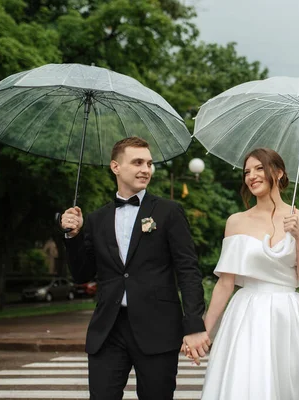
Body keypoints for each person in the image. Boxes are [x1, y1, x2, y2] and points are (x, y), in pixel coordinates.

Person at [60, 137, 210, 400]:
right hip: (108, 329)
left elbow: (188, 271)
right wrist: (73, 236)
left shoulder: (169, 212)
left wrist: (194, 324)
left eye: (149, 163)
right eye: (137, 162)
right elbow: (82, 274)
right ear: (115, 167)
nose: (146, 169)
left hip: (158, 329)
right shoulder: (96, 219)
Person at [194, 148, 299, 400]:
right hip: (246, 313)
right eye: (246, 172)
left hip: (287, 312)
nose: (251, 176)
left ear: (278, 173)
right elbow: (225, 283)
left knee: (291, 383)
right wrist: (204, 330)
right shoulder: (236, 221)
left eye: (259, 168)